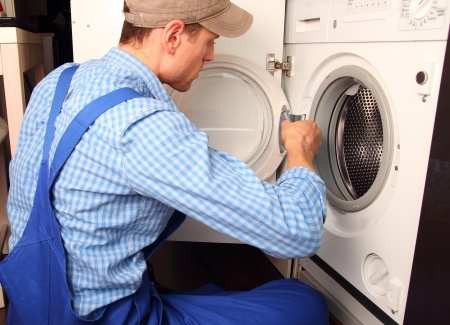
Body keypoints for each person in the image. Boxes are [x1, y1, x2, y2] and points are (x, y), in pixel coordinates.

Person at [6, 0, 328, 323]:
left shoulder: (58, 81)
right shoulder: (141, 126)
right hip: (103, 319)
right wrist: (300, 151)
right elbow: (298, 228)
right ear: (173, 36)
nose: (211, 55)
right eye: (209, 41)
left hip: (34, 306)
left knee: (212, 295)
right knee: (305, 304)